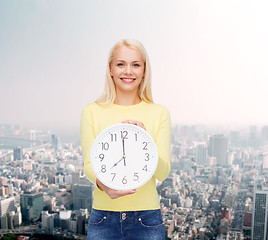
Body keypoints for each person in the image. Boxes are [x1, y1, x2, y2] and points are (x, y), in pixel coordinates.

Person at [80, 39, 171, 240]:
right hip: (103, 218)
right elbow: (88, 164)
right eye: (121, 64)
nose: (128, 71)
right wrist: (104, 186)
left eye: (135, 65)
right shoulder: (91, 112)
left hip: (147, 219)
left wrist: (146, 141)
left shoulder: (159, 113)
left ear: (144, 71)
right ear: (110, 69)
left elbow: (163, 172)